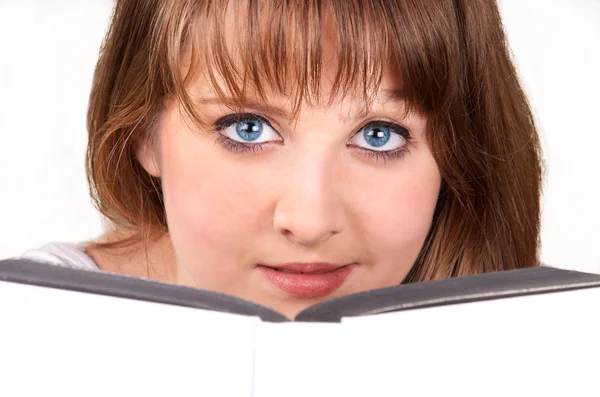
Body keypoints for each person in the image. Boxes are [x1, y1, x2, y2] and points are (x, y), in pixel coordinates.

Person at [20, 0, 543, 319]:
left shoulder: (542, 343)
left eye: (379, 134)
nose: (310, 223)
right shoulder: (28, 329)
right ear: (144, 135)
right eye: (248, 129)